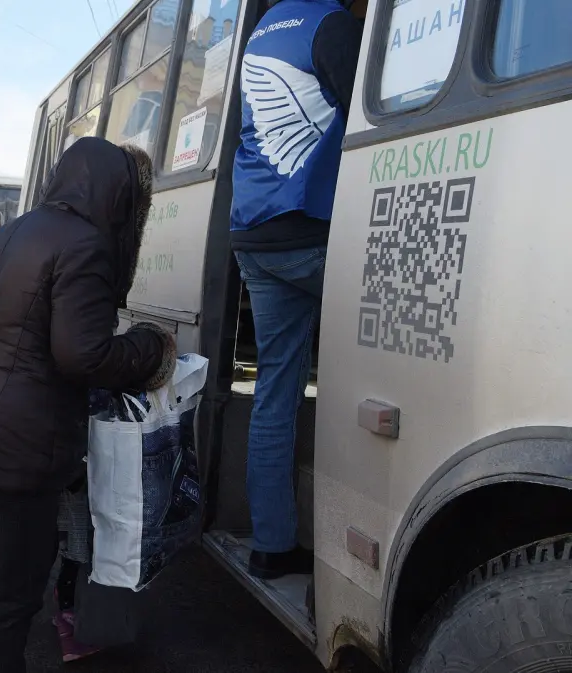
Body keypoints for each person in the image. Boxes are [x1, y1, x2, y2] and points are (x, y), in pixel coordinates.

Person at [0, 137, 176, 673]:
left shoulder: (2, 239)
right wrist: (149, 347)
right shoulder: (85, 245)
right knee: (16, 590)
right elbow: (81, 356)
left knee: (5, 565)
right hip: (24, 442)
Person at [229, 0, 361, 580]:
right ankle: (353, 561)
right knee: (381, 379)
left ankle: (272, 546)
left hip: (257, 236)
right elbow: (376, 116)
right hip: (314, 230)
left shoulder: (261, 32)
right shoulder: (333, 25)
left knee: (274, 396)